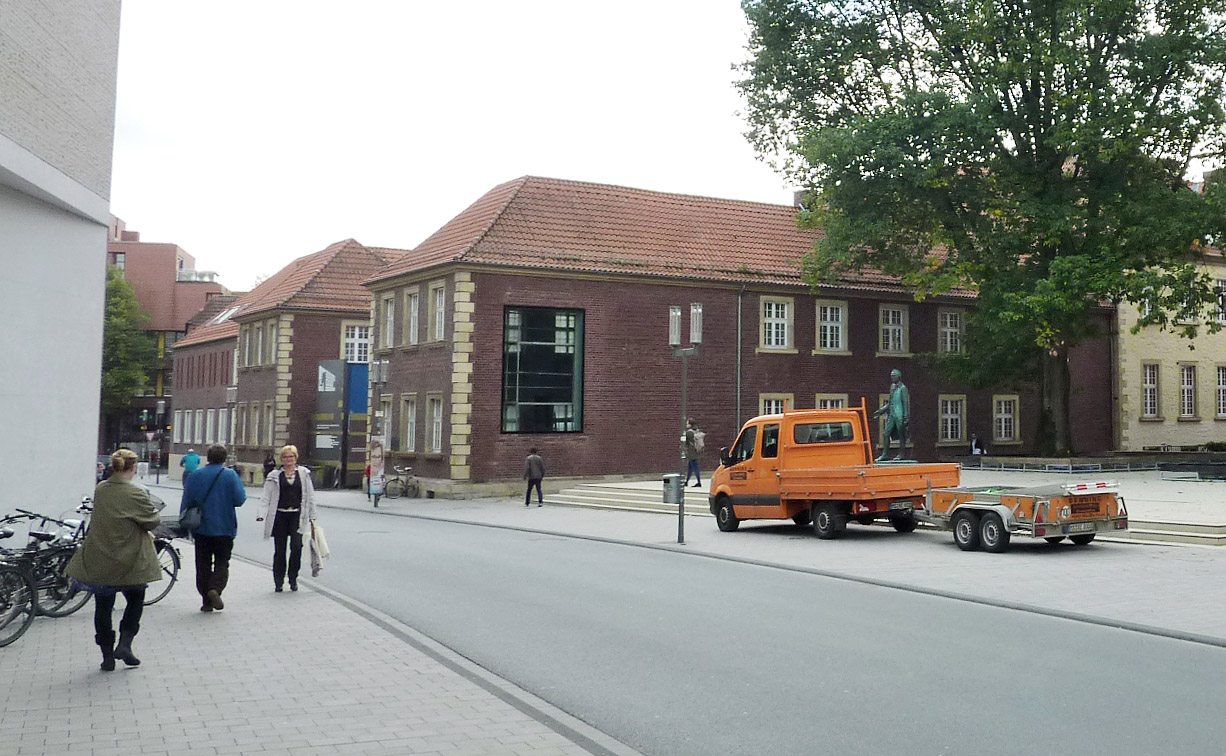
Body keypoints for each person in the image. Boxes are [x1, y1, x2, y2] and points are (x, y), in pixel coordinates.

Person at [65, 449, 162, 671]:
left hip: (102, 556)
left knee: (103, 605)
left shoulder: (101, 489)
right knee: (136, 597)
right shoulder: (136, 493)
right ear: (133, 468)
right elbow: (152, 520)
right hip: (130, 559)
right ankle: (125, 644)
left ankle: (107, 656)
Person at [181, 444, 247, 612]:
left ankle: (206, 601)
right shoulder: (230, 475)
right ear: (224, 458)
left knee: (202, 564)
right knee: (222, 562)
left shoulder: (195, 475)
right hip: (224, 527)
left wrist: (184, 524)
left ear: (207, 458)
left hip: (201, 528)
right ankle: (215, 589)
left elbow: (187, 501)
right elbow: (240, 499)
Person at [260, 444, 318, 591]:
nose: (288, 460)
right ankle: (278, 581)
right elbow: (266, 497)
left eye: (291, 456)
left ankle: (293, 578)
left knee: (296, 547)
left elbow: (310, 495)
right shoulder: (274, 476)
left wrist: (313, 516)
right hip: (280, 516)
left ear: (296, 458)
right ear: (282, 459)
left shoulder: (303, 474)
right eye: (285, 457)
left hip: (297, 516)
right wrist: (261, 514)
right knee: (280, 550)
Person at [872, 368, 910, 461]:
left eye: (893, 376)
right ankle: (884, 454)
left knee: (901, 435)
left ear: (899, 377)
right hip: (892, 414)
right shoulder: (892, 387)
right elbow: (890, 402)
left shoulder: (903, 388)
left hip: (899, 415)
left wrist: (906, 416)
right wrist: (881, 410)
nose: (892, 377)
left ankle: (901, 454)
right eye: (891, 376)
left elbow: (905, 403)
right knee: (886, 433)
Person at [683, 418, 704, 487]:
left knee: (695, 468)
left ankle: (699, 482)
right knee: (690, 468)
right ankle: (686, 481)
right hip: (696, 451)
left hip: (691, 453)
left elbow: (685, 442)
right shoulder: (697, 431)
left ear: (690, 424)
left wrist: (684, 435)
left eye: (687, 423)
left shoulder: (689, 433)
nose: (686, 425)